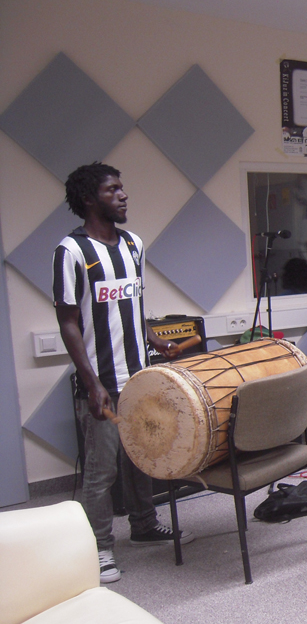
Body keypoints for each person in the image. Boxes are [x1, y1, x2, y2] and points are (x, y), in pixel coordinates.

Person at [53, 162, 193, 584]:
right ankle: (98, 548)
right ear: (88, 199)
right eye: (112, 189)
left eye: (121, 187)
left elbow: (132, 305)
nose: (123, 195)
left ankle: (144, 525)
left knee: (143, 458)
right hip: (101, 383)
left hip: (139, 378)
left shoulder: (134, 244)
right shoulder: (71, 251)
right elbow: (68, 321)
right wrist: (91, 383)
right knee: (103, 471)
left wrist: (155, 341)